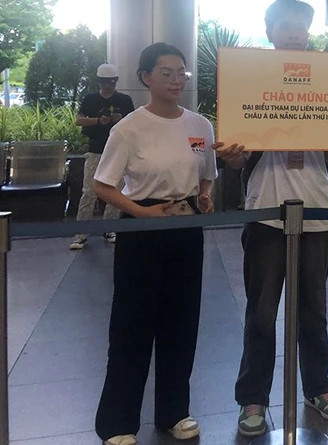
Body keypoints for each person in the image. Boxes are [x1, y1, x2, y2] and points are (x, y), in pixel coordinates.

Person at [212, 0, 328, 436]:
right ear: (269, 31)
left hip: (317, 211)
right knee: (261, 314)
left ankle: (318, 388)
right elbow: (232, 158)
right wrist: (229, 156)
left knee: (314, 311)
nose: (294, 34)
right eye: (285, 27)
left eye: (301, 28)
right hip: (267, 211)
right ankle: (253, 399)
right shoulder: (249, 81)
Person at [92, 43, 217, 445]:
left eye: (181, 72)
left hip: (185, 227)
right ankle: (117, 422)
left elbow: (206, 175)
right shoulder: (128, 128)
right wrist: (141, 213)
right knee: (132, 325)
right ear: (145, 77)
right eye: (166, 73)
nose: (176, 80)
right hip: (141, 228)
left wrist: (205, 195)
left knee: (182, 321)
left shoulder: (200, 125)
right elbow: (103, 184)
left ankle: (174, 412)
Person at [70, 63, 135, 250]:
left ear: (116, 82)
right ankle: (80, 234)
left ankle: (110, 228)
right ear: (99, 82)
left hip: (119, 152)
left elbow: (134, 124)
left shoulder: (124, 100)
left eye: (112, 82)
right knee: (89, 192)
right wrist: (99, 121)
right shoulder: (90, 99)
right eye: (105, 82)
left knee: (116, 192)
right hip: (96, 149)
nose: (108, 86)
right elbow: (79, 120)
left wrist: (119, 120)